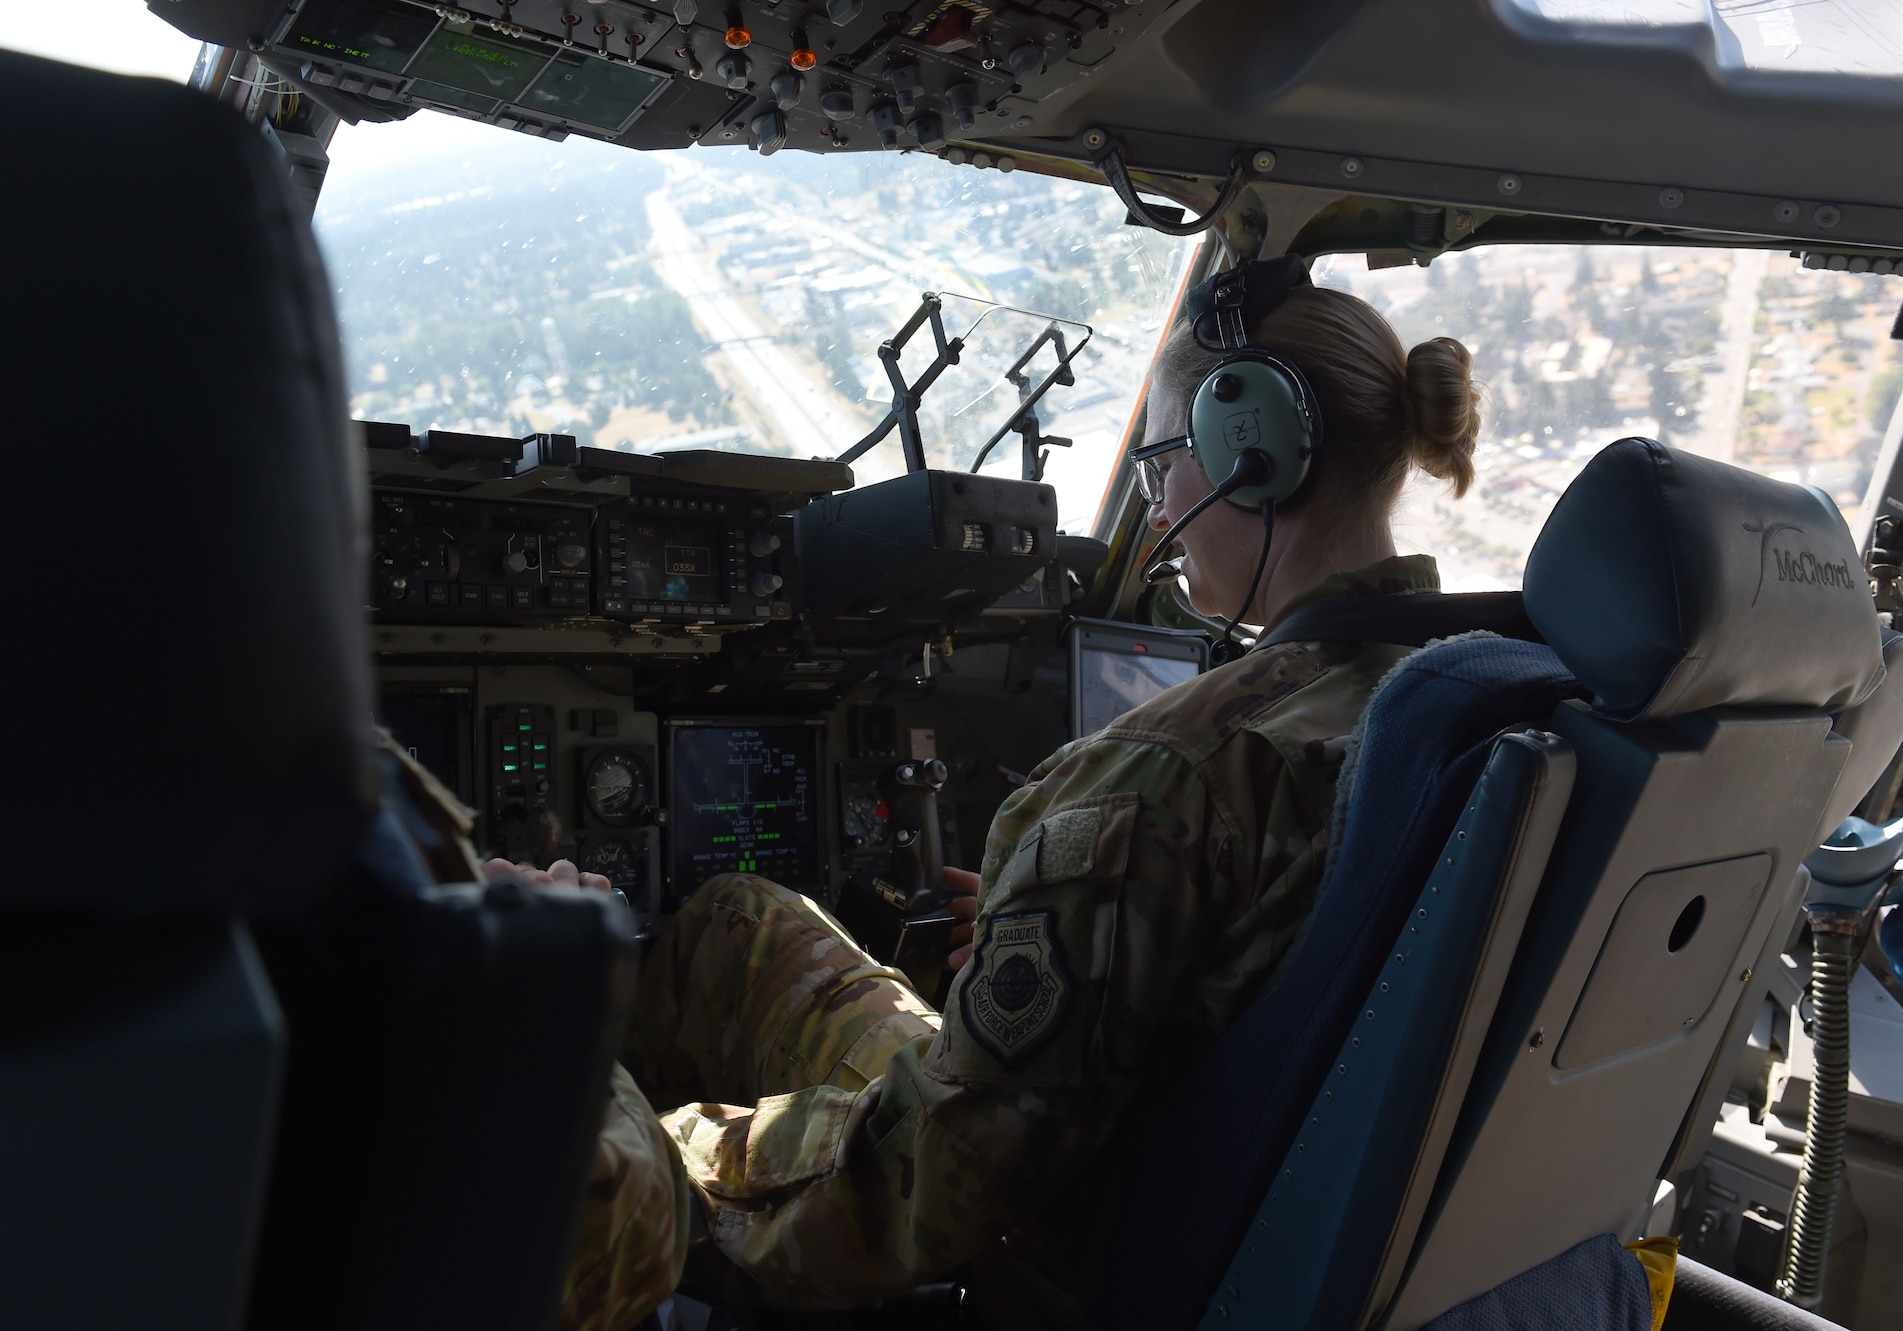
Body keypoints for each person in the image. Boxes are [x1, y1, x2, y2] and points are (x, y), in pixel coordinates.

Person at [557, 260, 1485, 1331]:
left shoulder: (1169, 775)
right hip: (1262, 1209)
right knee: (739, 925)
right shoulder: (1467, 704)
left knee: (594, 1120)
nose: (1158, 502)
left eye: (1164, 459)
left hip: (1046, 1237)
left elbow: (931, 1188)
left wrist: (669, 1141)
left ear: (1252, 452)